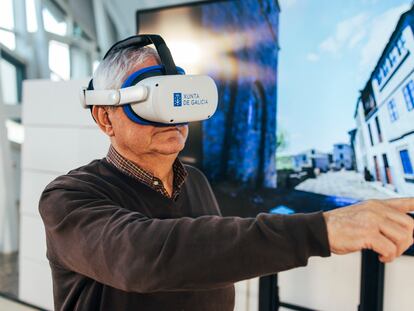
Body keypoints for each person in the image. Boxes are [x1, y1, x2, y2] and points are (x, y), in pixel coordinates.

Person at [39, 42, 414, 311]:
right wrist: (321, 230)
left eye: (179, 97)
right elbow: (145, 256)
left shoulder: (196, 182)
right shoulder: (68, 198)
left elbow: (213, 257)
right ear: (105, 116)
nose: (173, 117)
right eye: (153, 99)